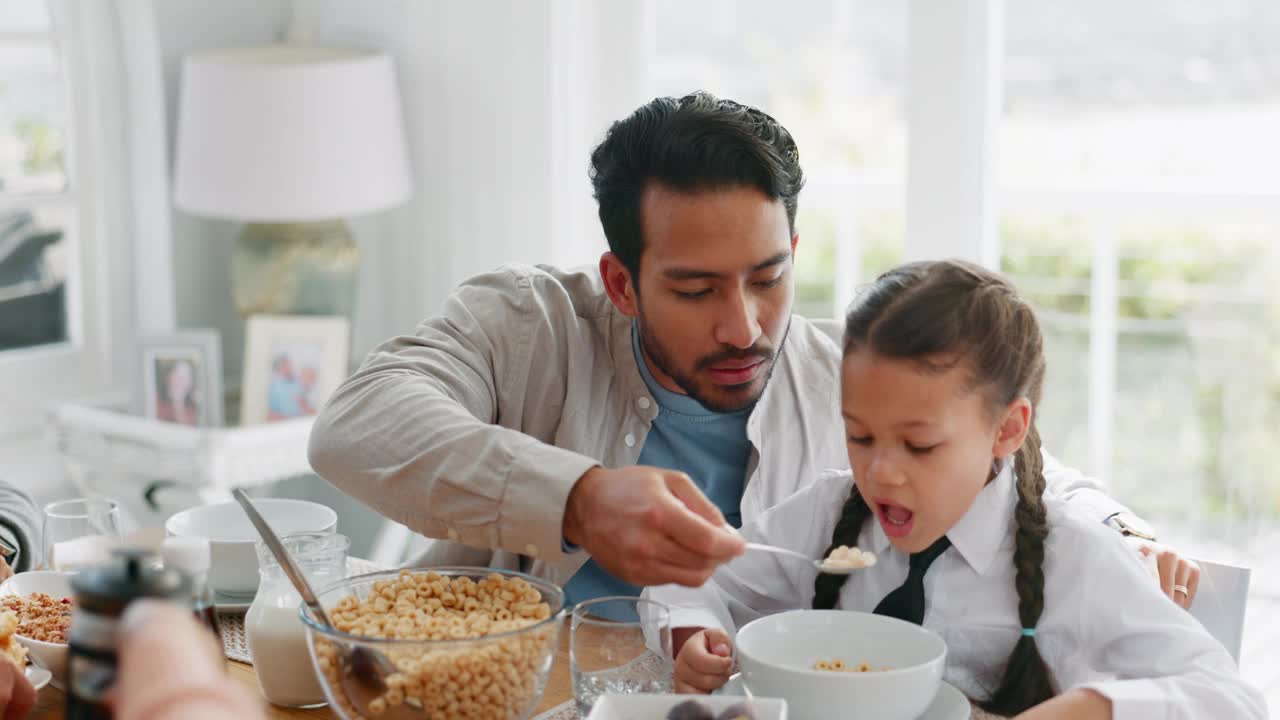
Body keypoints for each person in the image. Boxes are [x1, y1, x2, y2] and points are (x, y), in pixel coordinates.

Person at [308, 91, 1196, 606]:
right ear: (621, 283)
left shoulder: (843, 374)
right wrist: (576, 500)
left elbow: (1005, 456)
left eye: (767, 277)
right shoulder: (531, 324)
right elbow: (357, 424)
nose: (743, 326)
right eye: (695, 290)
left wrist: (1119, 534)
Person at [652, 261, 1263, 719]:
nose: (882, 473)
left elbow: (1231, 698)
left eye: (919, 446)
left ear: (1007, 429)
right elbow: (691, 575)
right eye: (860, 436)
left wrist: (1095, 706)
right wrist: (695, 633)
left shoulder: (1071, 559)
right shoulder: (828, 515)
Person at [155, 358, 200, 426]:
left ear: (190, 384)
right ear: (168, 377)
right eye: (176, 375)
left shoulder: (193, 408)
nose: (180, 381)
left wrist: (178, 402)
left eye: (184, 378)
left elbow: (188, 431)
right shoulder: (156, 401)